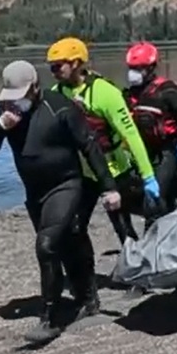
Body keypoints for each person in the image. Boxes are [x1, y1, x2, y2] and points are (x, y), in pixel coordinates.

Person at [0, 60, 122, 343]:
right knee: (67, 243)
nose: (16, 102)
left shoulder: (60, 107)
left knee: (46, 246)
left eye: (21, 95)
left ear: (34, 88)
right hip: (35, 193)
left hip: (66, 185)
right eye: (11, 96)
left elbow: (89, 146)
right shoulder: (6, 112)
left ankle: (51, 319)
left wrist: (109, 188)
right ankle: (88, 299)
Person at [46, 37, 160, 248]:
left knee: (123, 228)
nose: (54, 71)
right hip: (82, 173)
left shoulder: (105, 92)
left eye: (58, 66)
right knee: (74, 226)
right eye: (51, 67)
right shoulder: (55, 95)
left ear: (76, 63)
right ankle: (82, 275)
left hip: (114, 170)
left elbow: (130, 135)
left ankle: (136, 270)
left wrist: (148, 175)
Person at [122, 41, 177, 229]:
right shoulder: (128, 95)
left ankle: (154, 233)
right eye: (131, 68)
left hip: (167, 150)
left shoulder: (168, 91)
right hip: (142, 152)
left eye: (138, 68)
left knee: (154, 198)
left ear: (150, 68)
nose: (134, 72)